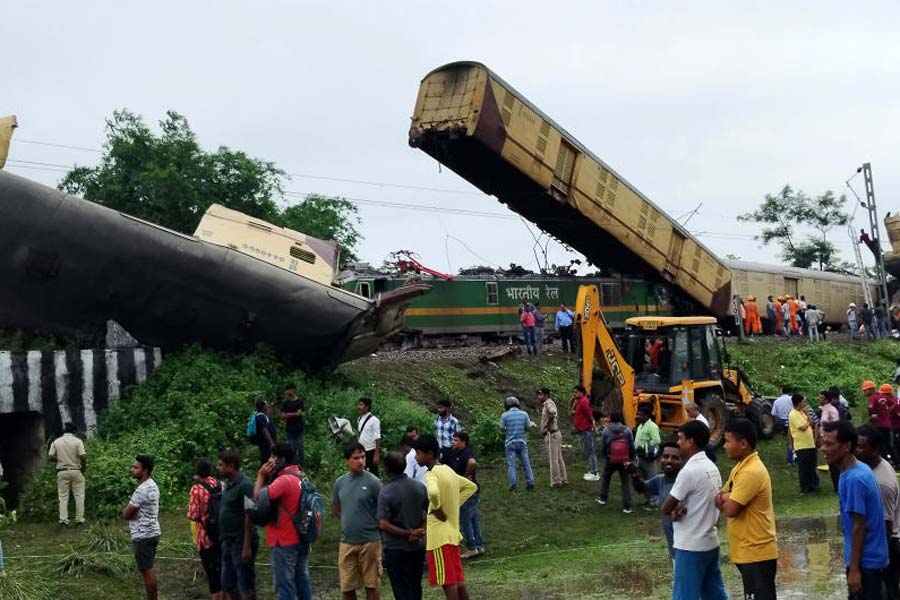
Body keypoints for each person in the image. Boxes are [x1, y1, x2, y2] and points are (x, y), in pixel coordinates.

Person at [821, 421, 889, 599]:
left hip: (867, 563)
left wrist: (854, 570)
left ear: (847, 446)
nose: (823, 448)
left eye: (829, 444)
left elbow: (859, 526)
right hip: (869, 560)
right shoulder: (857, 469)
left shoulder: (854, 478)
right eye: (823, 442)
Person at [662, 420, 727, 600]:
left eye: (681, 439)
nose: (678, 443)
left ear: (691, 442)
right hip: (709, 542)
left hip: (690, 545)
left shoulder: (689, 471)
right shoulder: (712, 467)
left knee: (684, 595)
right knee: (714, 593)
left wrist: (674, 509)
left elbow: (666, 506)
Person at [716, 418, 778, 600]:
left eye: (728, 441)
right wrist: (727, 496)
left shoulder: (751, 471)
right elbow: (721, 495)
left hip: (757, 552)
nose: (725, 446)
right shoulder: (739, 469)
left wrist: (726, 497)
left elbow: (730, 509)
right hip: (746, 551)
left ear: (743, 444)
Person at [413, 434, 477, 600]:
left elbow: (433, 492)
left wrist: (437, 507)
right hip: (452, 535)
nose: (416, 457)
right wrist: (454, 504)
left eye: (418, 453)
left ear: (429, 453)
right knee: (458, 580)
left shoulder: (431, 473)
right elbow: (470, 487)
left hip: (439, 538)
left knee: (448, 582)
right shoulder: (448, 470)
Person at [253, 444, 312, 600]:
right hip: (302, 536)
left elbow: (257, 501)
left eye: (273, 457)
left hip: (284, 540)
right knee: (302, 580)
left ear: (282, 459)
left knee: (284, 585)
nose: (270, 460)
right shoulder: (302, 476)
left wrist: (261, 476)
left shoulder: (284, 481)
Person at [332, 442, 383, 600]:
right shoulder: (340, 483)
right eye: (356, 458)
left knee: (372, 585)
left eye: (362, 457)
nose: (360, 461)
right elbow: (337, 508)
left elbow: (383, 511)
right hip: (347, 541)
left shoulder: (374, 482)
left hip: (370, 541)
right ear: (347, 460)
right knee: (347, 587)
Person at [855, 426, 900, 600]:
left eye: (860, 446)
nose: (855, 450)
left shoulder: (881, 482)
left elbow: (886, 527)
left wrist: (876, 563)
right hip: (878, 544)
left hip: (885, 547)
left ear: (875, 450)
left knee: (885, 592)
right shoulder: (870, 470)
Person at [377, 451, 428, 600]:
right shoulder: (419, 487)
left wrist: (407, 533)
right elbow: (431, 511)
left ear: (386, 468)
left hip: (396, 548)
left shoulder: (386, 492)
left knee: (401, 589)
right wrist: (420, 531)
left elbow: (383, 523)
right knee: (415, 585)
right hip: (417, 546)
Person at [629, 441, 683, 558]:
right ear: (660, 459)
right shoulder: (660, 480)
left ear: (682, 461)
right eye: (665, 456)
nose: (669, 460)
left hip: (688, 549)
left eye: (675, 458)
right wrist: (634, 474)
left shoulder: (686, 482)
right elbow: (642, 488)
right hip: (673, 549)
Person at [217, 449, 258, 600]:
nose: (218, 468)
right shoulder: (229, 484)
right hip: (228, 540)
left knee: (245, 583)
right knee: (227, 582)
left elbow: (250, 515)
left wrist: (246, 546)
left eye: (221, 465)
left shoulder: (245, 485)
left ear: (231, 466)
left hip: (241, 541)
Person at [122, 454, 161, 600]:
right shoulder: (152, 485)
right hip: (152, 531)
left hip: (143, 534)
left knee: (147, 570)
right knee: (148, 568)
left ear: (145, 470)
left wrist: (131, 514)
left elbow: (126, 513)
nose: (132, 470)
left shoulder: (142, 490)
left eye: (136, 467)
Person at [187, 458, 224, 600]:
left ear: (197, 471)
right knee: (224, 576)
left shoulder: (196, 489)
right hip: (222, 536)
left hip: (206, 538)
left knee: (213, 580)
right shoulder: (221, 485)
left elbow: (193, 515)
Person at [444, 432, 484, 558]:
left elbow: (472, 462)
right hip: (470, 490)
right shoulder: (455, 453)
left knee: (465, 518)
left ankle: (472, 547)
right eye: (453, 440)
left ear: (463, 442)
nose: (453, 442)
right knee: (473, 518)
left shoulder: (466, 453)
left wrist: (465, 477)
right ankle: (478, 545)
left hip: (468, 491)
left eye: (456, 440)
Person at [48, 422, 86, 527]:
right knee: (79, 496)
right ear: (74, 432)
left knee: (63, 497)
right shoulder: (78, 441)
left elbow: (50, 456)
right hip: (76, 470)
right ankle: (79, 521)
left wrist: (59, 459)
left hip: (62, 471)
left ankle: (63, 521)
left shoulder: (57, 441)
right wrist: (83, 469)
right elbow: (82, 456)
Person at [596, 413, 635, 513]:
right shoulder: (627, 430)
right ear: (621, 419)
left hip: (611, 459)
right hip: (624, 460)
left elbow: (603, 446)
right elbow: (631, 445)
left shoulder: (606, 430)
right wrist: (631, 458)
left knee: (606, 477)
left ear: (611, 419)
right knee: (625, 482)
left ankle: (602, 498)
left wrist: (606, 456)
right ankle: (627, 506)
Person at [499, 396, 536, 491]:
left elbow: (502, 428)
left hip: (510, 443)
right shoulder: (524, 414)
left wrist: (507, 428)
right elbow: (528, 427)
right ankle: (530, 483)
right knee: (526, 463)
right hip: (522, 441)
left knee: (511, 464)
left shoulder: (504, 415)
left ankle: (513, 485)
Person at [789, 394, 819, 494]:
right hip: (801, 445)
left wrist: (807, 417)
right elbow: (802, 427)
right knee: (804, 468)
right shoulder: (793, 414)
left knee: (812, 466)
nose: (805, 403)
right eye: (804, 401)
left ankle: (813, 486)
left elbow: (812, 423)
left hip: (810, 444)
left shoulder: (803, 412)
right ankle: (805, 488)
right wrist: (808, 422)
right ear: (798, 402)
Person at [538, 387, 567, 489]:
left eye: (540, 395)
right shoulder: (547, 403)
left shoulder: (548, 404)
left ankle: (556, 481)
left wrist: (548, 423)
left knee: (553, 459)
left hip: (552, 434)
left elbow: (553, 412)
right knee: (558, 458)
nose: (539, 397)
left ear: (546, 395)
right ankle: (563, 478)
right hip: (556, 433)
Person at [634, 406, 661, 508]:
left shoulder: (652, 426)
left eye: (640, 414)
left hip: (648, 458)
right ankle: (648, 499)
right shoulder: (641, 426)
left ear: (646, 415)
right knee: (644, 479)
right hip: (640, 457)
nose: (638, 416)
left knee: (652, 478)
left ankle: (654, 502)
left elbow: (656, 441)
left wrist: (645, 447)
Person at [571, 385, 599, 481]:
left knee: (590, 450)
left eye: (575, 392)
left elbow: (589, 414)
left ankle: (594, 471)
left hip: (586, 430)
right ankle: (592, 469)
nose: (574, 394)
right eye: (573, 392)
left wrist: (593, 425)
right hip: (582, 430)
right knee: (588, 450)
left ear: (581, 392)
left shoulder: (583, 402)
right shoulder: (579, 402)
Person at [867, 382, 897, 463]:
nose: (865, 392)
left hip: (878, 425)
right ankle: (897, 463)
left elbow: (870, 407)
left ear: (871, 389)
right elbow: (893, 403)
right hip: (888, 425)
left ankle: (885, 463)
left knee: (880, 445)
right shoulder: (884, 396)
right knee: (889, 445)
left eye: (866, 390)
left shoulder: (872, 397)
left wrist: (872, 414)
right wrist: (888, 411)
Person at [820, 390, 842, 492]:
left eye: (821, 398)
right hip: (827, 440)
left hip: (832, 440)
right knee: (831, 464)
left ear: (827, 400)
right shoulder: (825, 409)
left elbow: (833, 425)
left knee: (834, 463)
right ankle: (836, 485)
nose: (819, 399)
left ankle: (838, 486)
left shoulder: (830, 410)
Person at [281, 384, 305, 467]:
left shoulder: (299, 402)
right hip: (289, 430)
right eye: (286, 390)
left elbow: (299, 414)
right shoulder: (285, 403)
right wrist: (294, 414)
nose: (286, 392)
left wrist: (288, 414)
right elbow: (283, 416)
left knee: (300, 448)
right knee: (292, 449)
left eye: (288, 390)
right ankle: (293, 465)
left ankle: (302, 466)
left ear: (293, 390)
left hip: (299, 429)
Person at [357, 397, 382, 476]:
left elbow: (377, 438)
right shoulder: (359, 419)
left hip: (370, 451)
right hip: (361, 451)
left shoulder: (374, 420)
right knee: (362, 473)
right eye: (359, 404)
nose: (359, 407)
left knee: (373, 474)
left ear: (367, 407)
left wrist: (376, 454)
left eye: (361, 405)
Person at [434, 399, 461, 463]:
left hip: (450, 450)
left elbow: (459, 436)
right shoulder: (437, 419)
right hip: (439, 450)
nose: (439, 410)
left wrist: (455, 448)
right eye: (438, 408)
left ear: (447, 408)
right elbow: (436, 433)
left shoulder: (454, 421)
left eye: (441, 408)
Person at [253, 400, 277, 464]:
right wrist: (271, 442)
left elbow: (270, 414)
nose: (267, 405)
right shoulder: (260, 416)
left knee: (268, 458)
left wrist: (272, 405)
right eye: (266, 404)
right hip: (265, 443)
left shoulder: (263, 415)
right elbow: (264, 430)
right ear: (263, 407)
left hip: (266, 443)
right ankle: (265, 472)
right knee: (266, 458)